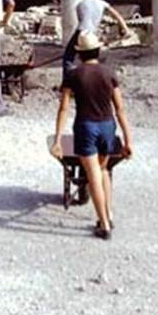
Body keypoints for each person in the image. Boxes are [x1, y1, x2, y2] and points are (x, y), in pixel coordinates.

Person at [50, 32, 134, 240]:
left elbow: (63, 109)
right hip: (107, 126)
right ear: (98, 50)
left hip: (86, 127)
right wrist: (128, 140)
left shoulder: (73, 75)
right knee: (103, 169)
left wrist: (58, 140)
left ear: (79, 54)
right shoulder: (109, 73)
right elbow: (120, 109)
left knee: (93, 175)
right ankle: (109, 214)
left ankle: (104, 225)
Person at [62, 0, 132, 79]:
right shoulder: (102, 3)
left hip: (81, 33)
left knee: (68, 58)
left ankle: (67, 83)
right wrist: (125, 30)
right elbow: (117, 16)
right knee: (92, 59)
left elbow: (82, 22)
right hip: (93, 35)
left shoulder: (80, 5)